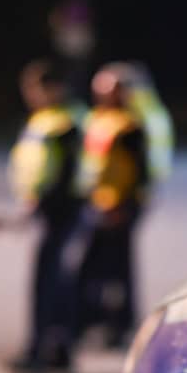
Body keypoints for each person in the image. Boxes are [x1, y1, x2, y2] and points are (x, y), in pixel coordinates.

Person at [2, 59, 84, 373]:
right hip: (52, 207)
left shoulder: (65, 122)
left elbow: (69, 172)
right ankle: (59, 350)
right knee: (58, 279)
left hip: (61, 209)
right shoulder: (49, 118)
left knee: (47, 280)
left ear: (54, 88)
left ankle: (39, 351)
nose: (31, 95)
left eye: (35, 89)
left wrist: (41, 204)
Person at [75, 66, 149, 348]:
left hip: (120, 205)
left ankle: (119, 326)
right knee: (90, 267)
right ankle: (90, 321)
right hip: (95, 202)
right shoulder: (96, 120)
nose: (107, 93)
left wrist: (127, 204)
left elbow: (140, 172)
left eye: (113, 88)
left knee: (119, 270)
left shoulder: (130, 125)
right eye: (103, 87)